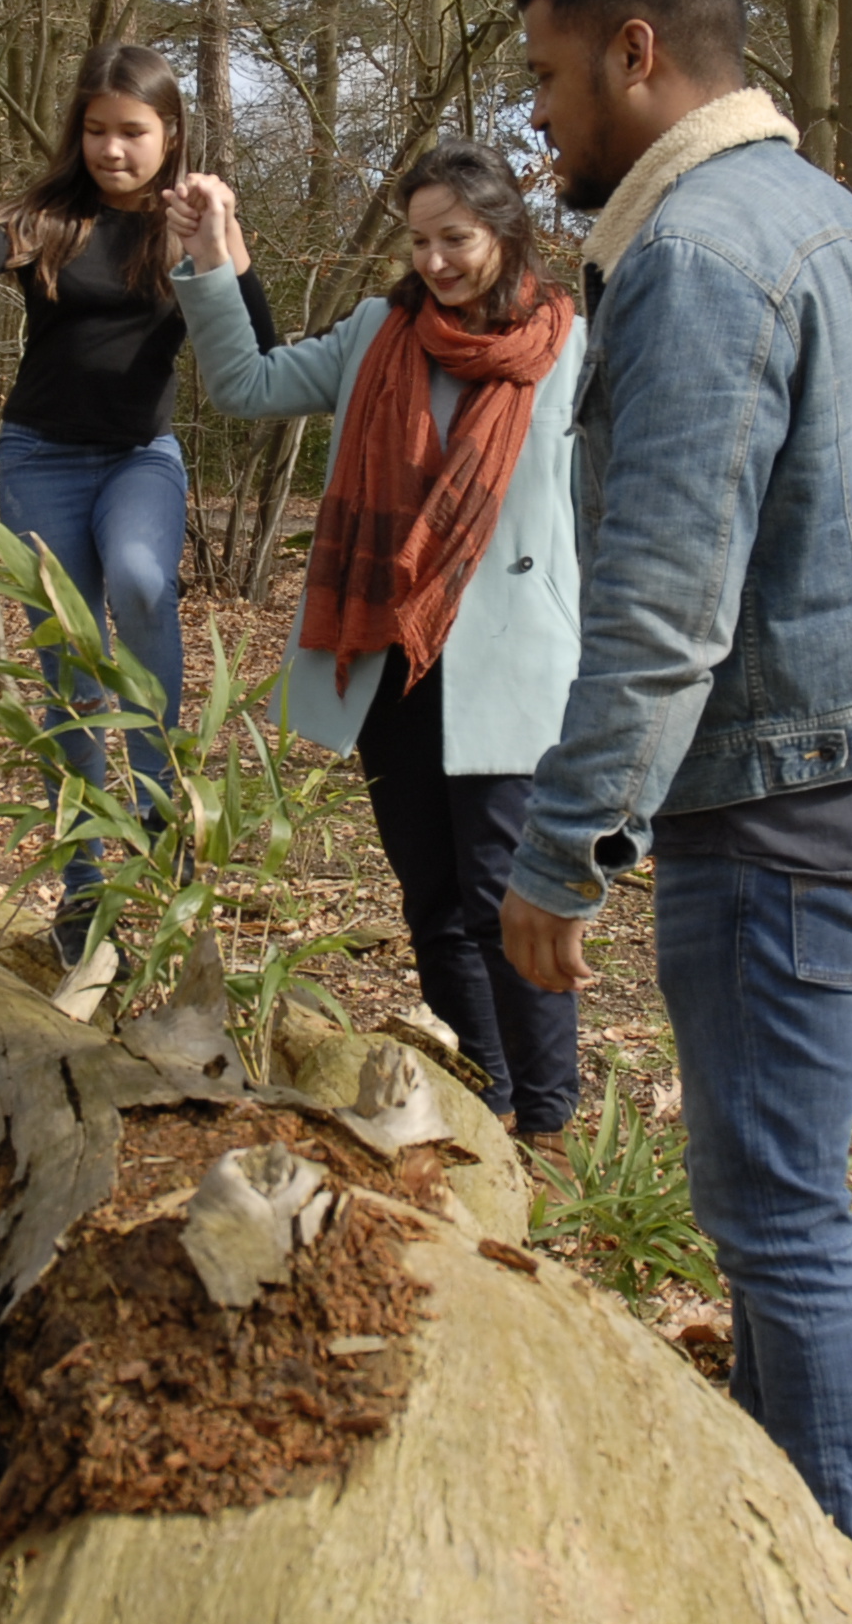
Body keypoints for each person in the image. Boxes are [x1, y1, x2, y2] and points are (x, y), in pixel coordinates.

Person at [491, 0, 852, 1560]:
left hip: (792, 807)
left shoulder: (701, 258)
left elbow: (664, 609)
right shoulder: (845, 230)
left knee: (774, 1212)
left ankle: (845, 1598)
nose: (537, 119)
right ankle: (791, 1535)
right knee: (773, 1196)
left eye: (551, 76)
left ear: (638, 52)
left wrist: (560, 855)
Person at [165, 146, 588, 1144]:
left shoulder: (574, 344)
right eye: (421, 240)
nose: (436, 260)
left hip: (515, 664)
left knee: (502, 895)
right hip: (389, 656)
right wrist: (210, 257)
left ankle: (551, 1126)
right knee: (432, 896)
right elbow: (242, 383)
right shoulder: (377, 333)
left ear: (503, 232)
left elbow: (619, 505)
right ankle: (485, 1104)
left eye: (457, 238)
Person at [0, 43, 274, 962]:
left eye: (133, 132)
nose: (113, 149)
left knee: (145, 583)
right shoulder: (49, 221)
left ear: (170, 132)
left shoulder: (190, 226)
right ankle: (84, 884)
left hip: (142, 456)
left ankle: (166, 828)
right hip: (42, 459)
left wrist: (221, 240)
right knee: (71, 665)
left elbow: (260, 343)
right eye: (97, 131)